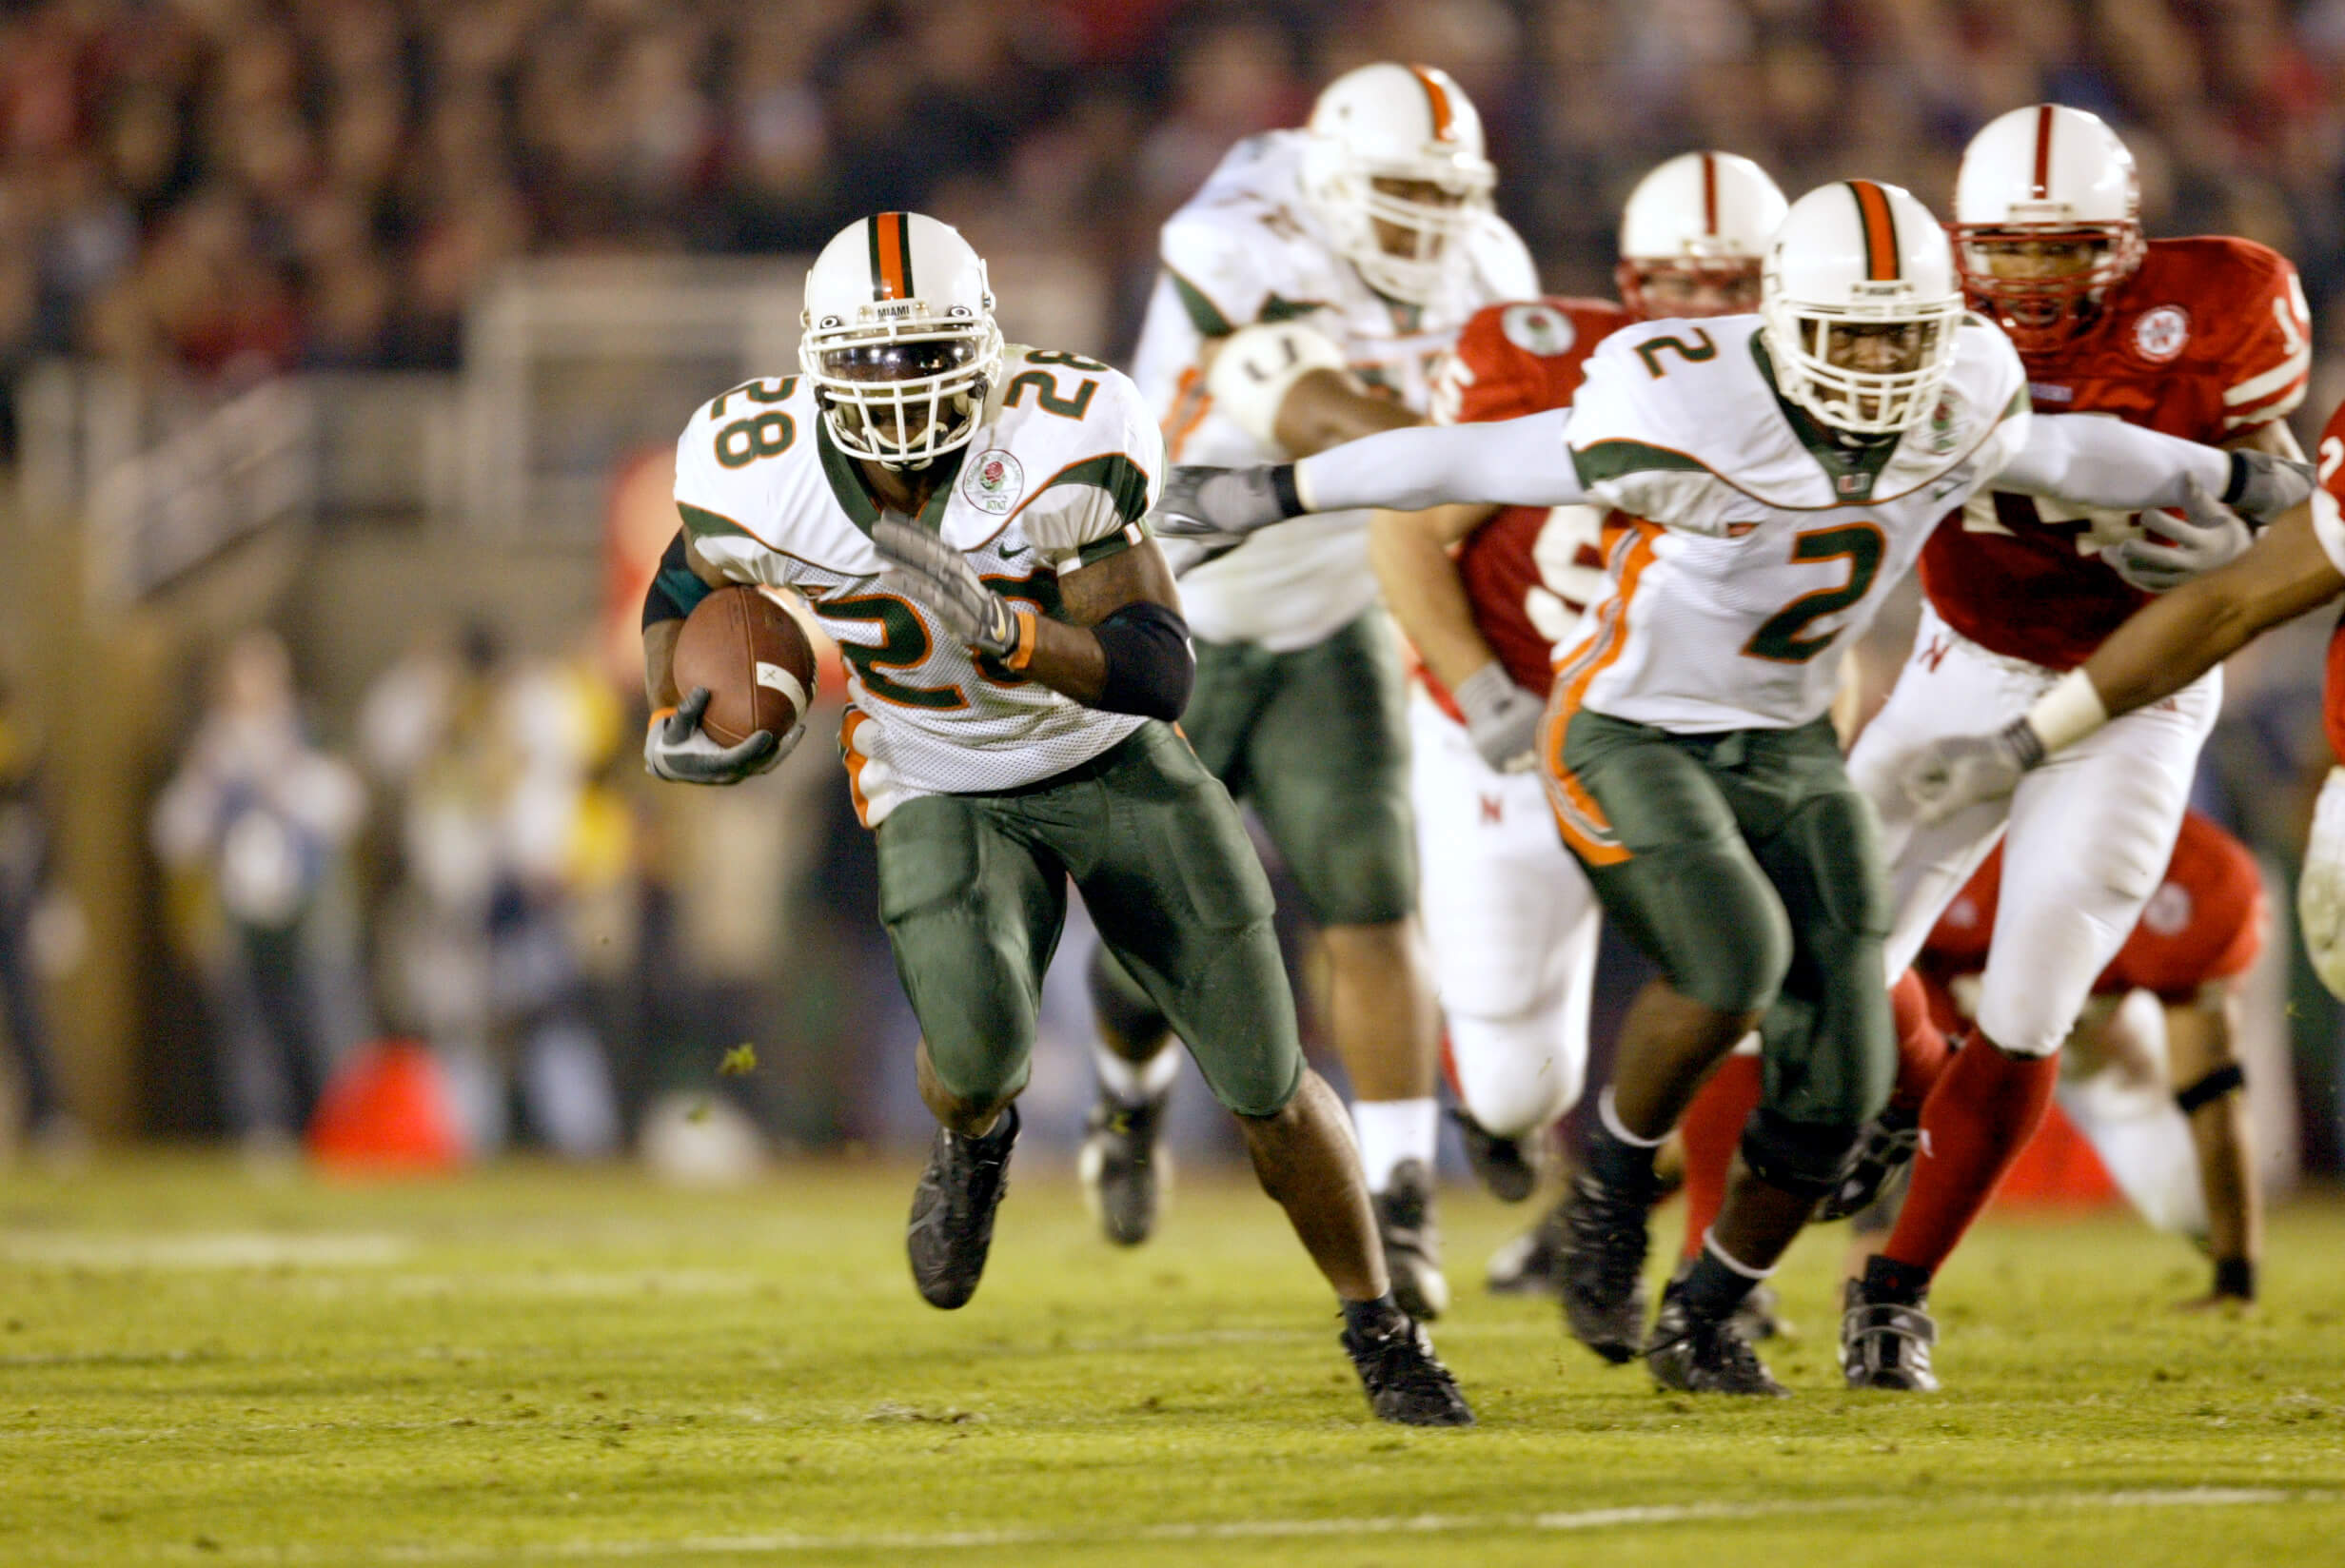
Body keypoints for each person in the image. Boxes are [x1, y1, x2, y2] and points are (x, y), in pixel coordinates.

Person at [1148, 178, 2312, 1393]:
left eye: (1900, 332)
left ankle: (1701, 1315)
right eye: (1847, 330)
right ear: (1782, 321)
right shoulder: (1687, 400)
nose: (1874, 361)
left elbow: (2075, 450)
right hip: (1632, 728)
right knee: (1733, 960)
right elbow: (1481, 452)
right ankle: (1603, 1191)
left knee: (1843, 1073)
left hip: (1789, 737)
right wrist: (1268, 492)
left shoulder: (1963, 394)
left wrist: (2239, 487)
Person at [642, 211, 1471, 1426]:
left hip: (1108, 758)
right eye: (870, 360)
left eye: (924, 353)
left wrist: (1012, 633)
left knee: (1265, 1077)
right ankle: (973, 1142)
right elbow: (684, 585)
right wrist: (681, 707)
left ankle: (1381, 1324)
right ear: (817, 360)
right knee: (973, 1054)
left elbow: (1159, 669)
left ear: (983, 345)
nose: (900, 387)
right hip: (935, 771)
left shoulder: (1061, 431)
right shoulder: (750, 467)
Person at [1813, 106, 2311, 1391]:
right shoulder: (1910, 305)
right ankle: (1893, 1098)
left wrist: (2227, 539)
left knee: (2034, 1003)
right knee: (1829, 938)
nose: (2031, 281)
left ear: (2126, 243)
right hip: (1960, 661)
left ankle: (1895, 1293)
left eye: (2064, 250)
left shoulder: (2226, 301)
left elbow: (2291, 489)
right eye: (2007, 252)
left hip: (2139, 692)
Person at [1082, 62, 1538, 1317]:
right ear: (1333, 191)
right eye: (1396, 200)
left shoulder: (1482, 259)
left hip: (1332, 614)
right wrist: (1502, 450)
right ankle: (1127, 1104)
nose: (1421, 229)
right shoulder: (1237, 243)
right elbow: (1328, 415)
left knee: (1373, 901)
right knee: (1149, 943)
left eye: (1442, 199)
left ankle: (1399, 1196)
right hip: (1181, 618)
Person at [1367, 150, 1784, 1223]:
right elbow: (1407, 533)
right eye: (1680, 285)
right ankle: (1499, 1115)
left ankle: (1711, 1247)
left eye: (1733, 284)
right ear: (1630, 285)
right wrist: (1481, 688)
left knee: (1746, 971)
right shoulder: (1545, 359)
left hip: (1669, 734)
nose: (1706, 310)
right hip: (1502, 722)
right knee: (1515, 1071)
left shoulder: (1818, 395)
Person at [1841, 810, 2267, 1312]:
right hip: (1979, 1034)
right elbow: (1910, 1059)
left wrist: (2237, 1276)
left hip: (2106, 1048)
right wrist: (1873, 1234)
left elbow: (2209, 1085)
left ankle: (2218, 1242)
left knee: (2188, 1202)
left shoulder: (2199, 875)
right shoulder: (1964, 852)